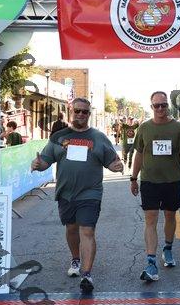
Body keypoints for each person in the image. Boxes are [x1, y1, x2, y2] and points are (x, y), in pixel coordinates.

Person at [31, 97, 124, 293]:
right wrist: (38, 165)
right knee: (71, 229)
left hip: (90, 193)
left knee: (87, 231)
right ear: (71, 111)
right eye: (77, 111)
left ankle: (87, 274)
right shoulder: (59, 137)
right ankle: (75, 259)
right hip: (66, 193)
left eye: (85, 112)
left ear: (89, 114)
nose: (81, 114)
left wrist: (117, 166)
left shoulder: (99, 138)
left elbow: (112, 162)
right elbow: (46, 160)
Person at [130, 91, 180, 282]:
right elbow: (139, 154)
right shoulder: (144, 128)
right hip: (149, 181)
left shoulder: (178, 128)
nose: (160, 108)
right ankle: (151, 262)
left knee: (170, 216)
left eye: (163, 105)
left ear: (168, 106)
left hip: (171, 181)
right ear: (151, 107)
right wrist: (133, 178)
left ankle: (167, 248)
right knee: (150, 219)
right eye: (156, 105)